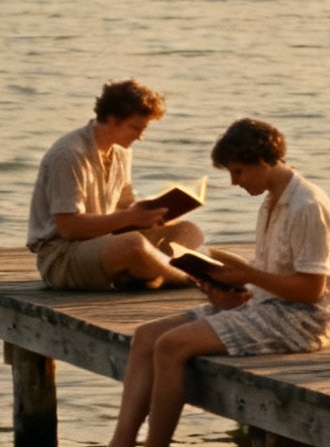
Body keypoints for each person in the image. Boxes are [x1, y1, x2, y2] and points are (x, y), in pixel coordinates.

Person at [73, 118, 330, 447]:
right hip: (269, 306)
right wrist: (230, 288)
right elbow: (273, 278)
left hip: (301, 321)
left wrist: (249, 273)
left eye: (238, 171)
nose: (235, 182)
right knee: (147, 336)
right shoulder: (272, 203)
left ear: (264, 161)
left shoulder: (306, 206)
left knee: (171, 347)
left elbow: (311, 289)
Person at [25, 79, 204, 291]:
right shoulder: (69, 155)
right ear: (113, 119)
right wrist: (130, 217)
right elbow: (69, 228)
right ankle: (183, 277)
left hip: (105, 243)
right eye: (136, 128)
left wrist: (150, 213)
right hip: (63, 256)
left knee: (189, 231)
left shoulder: (121, 151)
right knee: (133, 246)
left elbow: (122, 209)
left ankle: (145, 271)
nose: (141, 137)